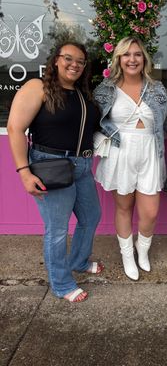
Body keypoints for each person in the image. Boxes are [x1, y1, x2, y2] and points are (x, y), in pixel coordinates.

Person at [7, 42, 102, 303]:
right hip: (52, 165)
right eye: (68, 58)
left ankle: (79, 261)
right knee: (57, 229)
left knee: (91, 216)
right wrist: (24, 172)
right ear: (56, 60)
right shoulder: (38, 87)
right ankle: (61, 284)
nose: (74, 64)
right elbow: (15, 128)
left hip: (82, 165)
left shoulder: (82, 94)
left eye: (80, 61)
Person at [93, 36, 167, 281]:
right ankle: (128, 256)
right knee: (124, 207)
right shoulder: (105, 89)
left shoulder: (157, 88)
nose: (132, 59)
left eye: (137, 54)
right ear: (118, 58)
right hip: (120, 152)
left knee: (149, 212)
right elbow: (93, 120)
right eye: (126, 54)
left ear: (144, 59)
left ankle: (142, 250)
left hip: (150, 150)